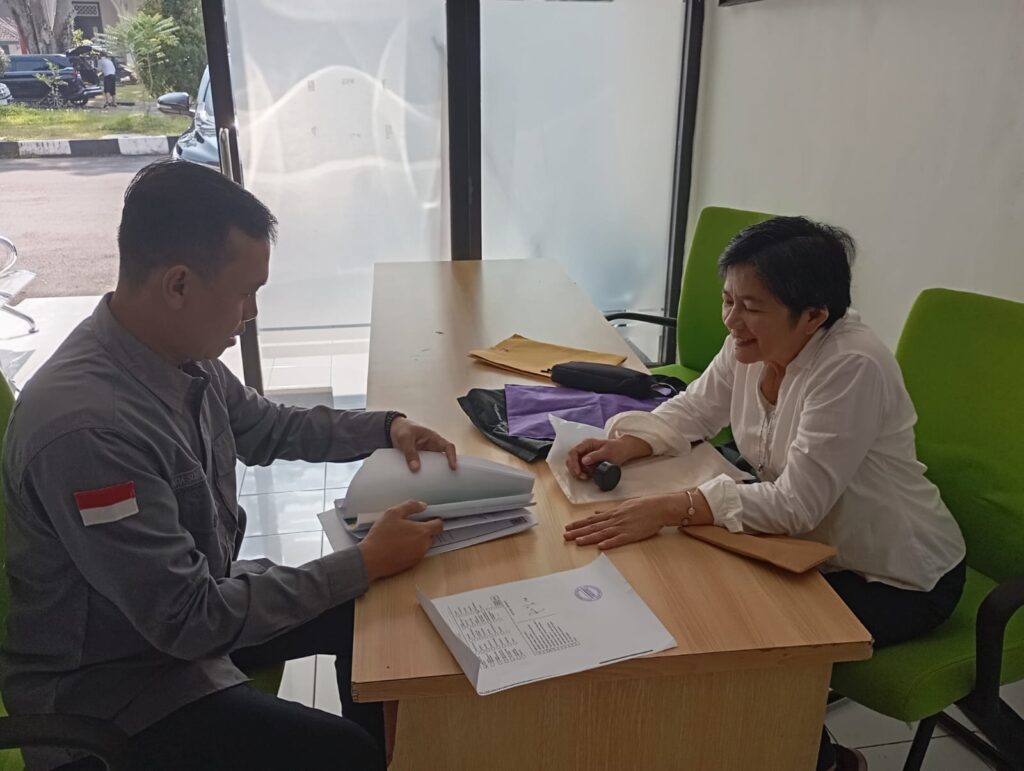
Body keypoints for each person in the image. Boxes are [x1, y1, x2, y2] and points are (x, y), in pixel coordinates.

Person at [1, 160, 458, 771]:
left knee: (368, 614)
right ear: (178, 285)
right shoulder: (90, 431)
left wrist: (384, 428)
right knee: (342, 753)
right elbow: (189, 620)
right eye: (245, 293)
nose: (252, 313)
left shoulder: (175, 354)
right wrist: (364, 560)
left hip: (173, 628)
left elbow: (267, 427)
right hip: (115, 691)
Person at [562, 217, 966, 771]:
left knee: (730, 642)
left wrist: (674, 507)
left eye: (750, 307)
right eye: (728, 300)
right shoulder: (753, 343)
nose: (732, 321)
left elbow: (796, 505)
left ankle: (822, 760)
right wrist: (628, 443)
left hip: (895, 575)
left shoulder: (851, 366)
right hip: (808, 548)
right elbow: (696, 408)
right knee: (680, 594)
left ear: (814, 315)